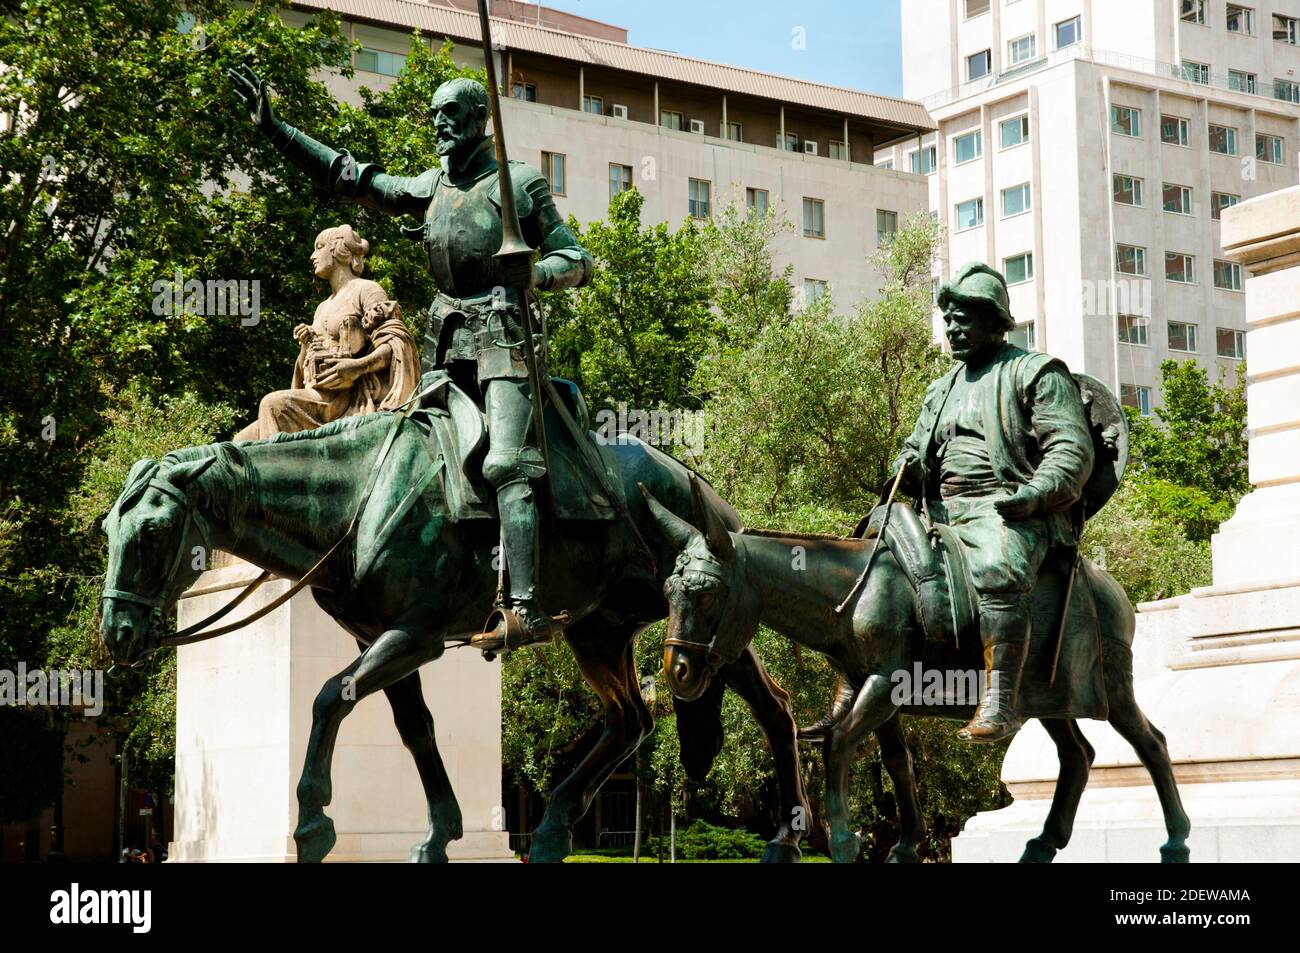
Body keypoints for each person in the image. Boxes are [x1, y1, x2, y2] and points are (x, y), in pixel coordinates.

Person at [228, 68, 593, 651]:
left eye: (451, 113)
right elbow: (352, 176)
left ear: (479, 120)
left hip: (505, 342)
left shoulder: (518, 184)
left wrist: (542, 271)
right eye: (434, 113)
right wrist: (277, 130)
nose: (438, 123)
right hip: (447, 345)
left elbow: (578, 256)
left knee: (506, 463)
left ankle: (524, 606)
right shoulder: (431, 187)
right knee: (400, 453)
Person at [892, 262, 1094, 743]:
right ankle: (854, 680)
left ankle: (1001, 700)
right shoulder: (940, 389)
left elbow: (1071, 449)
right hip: (941, 514)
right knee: (872, 556)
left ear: (994, 322)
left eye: (964, 320)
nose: (952, 330)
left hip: (1008, 509)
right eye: (948, 321)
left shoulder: (1036, 372)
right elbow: (916, 446)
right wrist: (906, 466)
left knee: (999, 566)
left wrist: (1036, 495)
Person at [234, 224, 420, 441]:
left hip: (345, 398)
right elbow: (304, 371)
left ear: (339, 250)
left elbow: (396, 343)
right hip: (317, 394)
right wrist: (306, 345)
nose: (313, 256)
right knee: (241, 440)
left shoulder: (367, 290)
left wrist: (358, 367)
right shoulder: (322, 306)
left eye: (319, 247)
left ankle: (285, 473)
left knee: (273, 404)